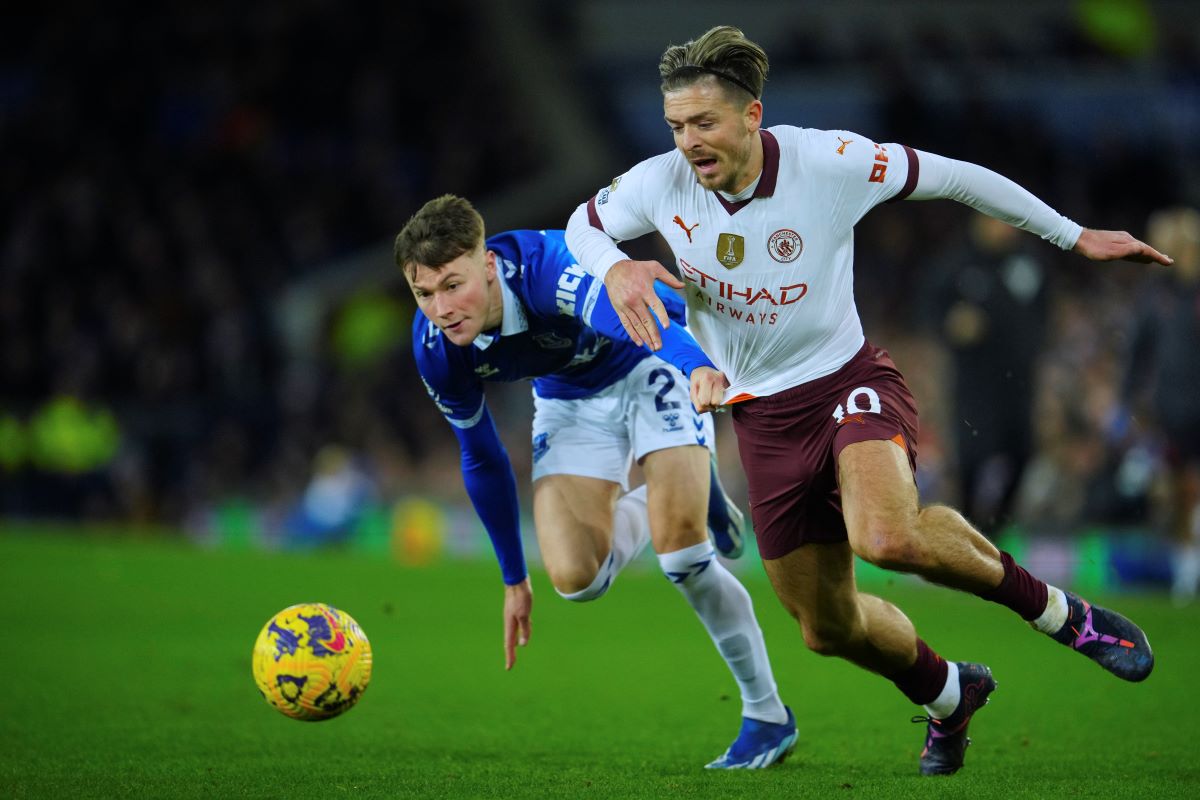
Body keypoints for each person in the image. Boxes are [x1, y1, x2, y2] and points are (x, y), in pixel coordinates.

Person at [564, 25, 1165, 776]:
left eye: (704, 123)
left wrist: (1072, 235)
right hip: (762, 419)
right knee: (828, 629)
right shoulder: (660, 182)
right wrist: (616, 269)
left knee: (886, 537)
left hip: (846, 383)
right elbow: (582, 226)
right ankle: (949, 693)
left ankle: (1061, 616)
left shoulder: (830, 161)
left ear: (753, 115)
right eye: (677, 126)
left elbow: (956, 176)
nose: (688, 142)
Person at [394, 194, 797, 769]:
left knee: (681, 554)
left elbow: (629, 318)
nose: (441, 308)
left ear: (487, 265)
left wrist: (698, 368)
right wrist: (513, 579)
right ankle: (686, 485)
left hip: (650, 353)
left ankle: (767, 716)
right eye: (424, 293)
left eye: (452, 285)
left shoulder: (548, 268)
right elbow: (481, 457)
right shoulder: (436, 349)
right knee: (577, 580)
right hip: (568, 397)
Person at [924, 215, 1049, 534]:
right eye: (995, 220)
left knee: (1023, 452)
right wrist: (951, 324)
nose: (1004, 227)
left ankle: (997, 524)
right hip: (974, 380)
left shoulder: (1028, 262)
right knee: (973, 455)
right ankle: (964, 522)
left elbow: (1044, 311)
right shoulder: (957, 264)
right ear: (978, 223)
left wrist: (1034, 346)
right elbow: (928, 309)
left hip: (1018, 379)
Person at [1115, 206, 1200, 603]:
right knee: (1179, 492)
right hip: (1173, 410)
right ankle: (1187, 572)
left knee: (1191, 488)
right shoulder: (1155, 296)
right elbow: (1137, 354)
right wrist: (1128, 402)